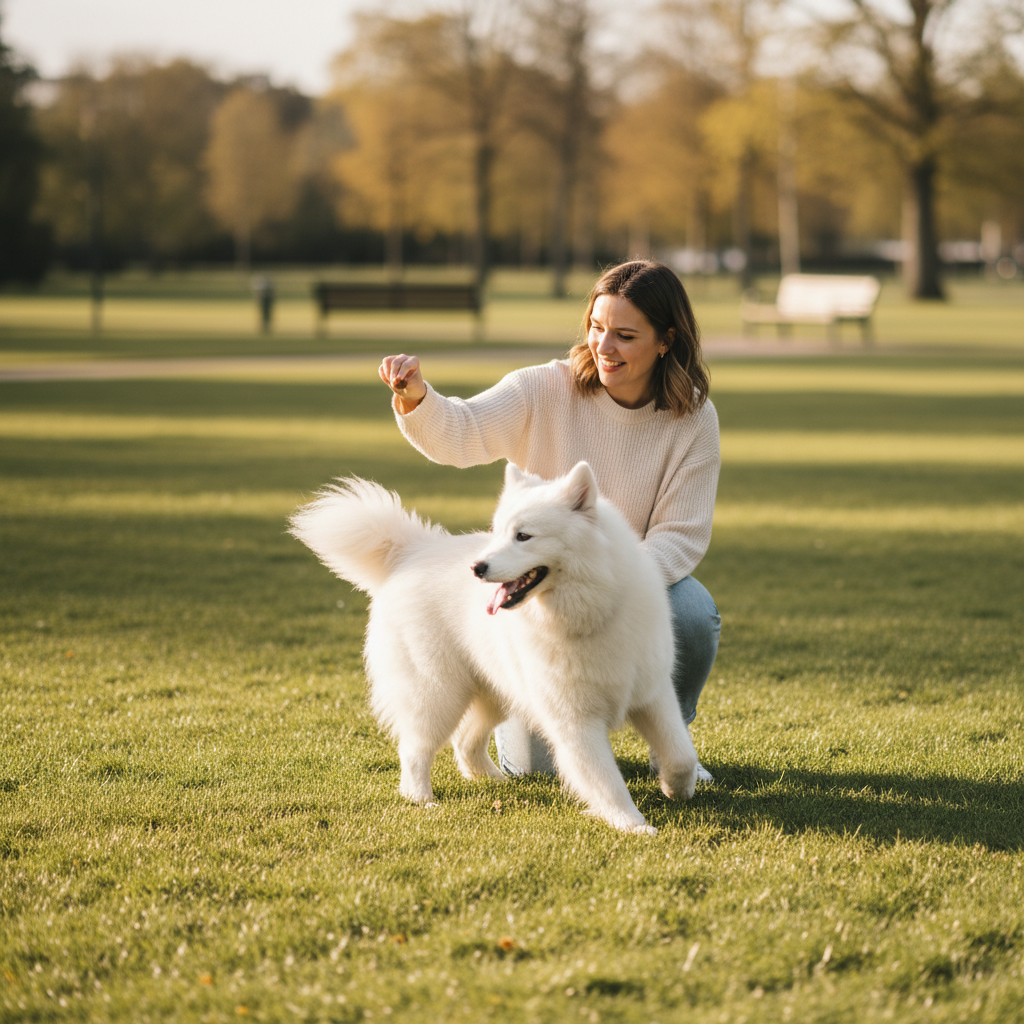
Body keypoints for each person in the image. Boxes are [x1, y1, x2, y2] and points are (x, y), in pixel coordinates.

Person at [378, 259, 721, 782]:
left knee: (691, 611)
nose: (604, 346)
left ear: (665, 341)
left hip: (629, 585)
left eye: (625, 335)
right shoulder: (542, 388)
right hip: (538, 601)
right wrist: (416, 397)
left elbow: (681, 536)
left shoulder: (693, 419)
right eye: (597, 327)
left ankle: (671, 751)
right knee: (536, 771)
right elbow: (462, 432)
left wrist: (610, 583)